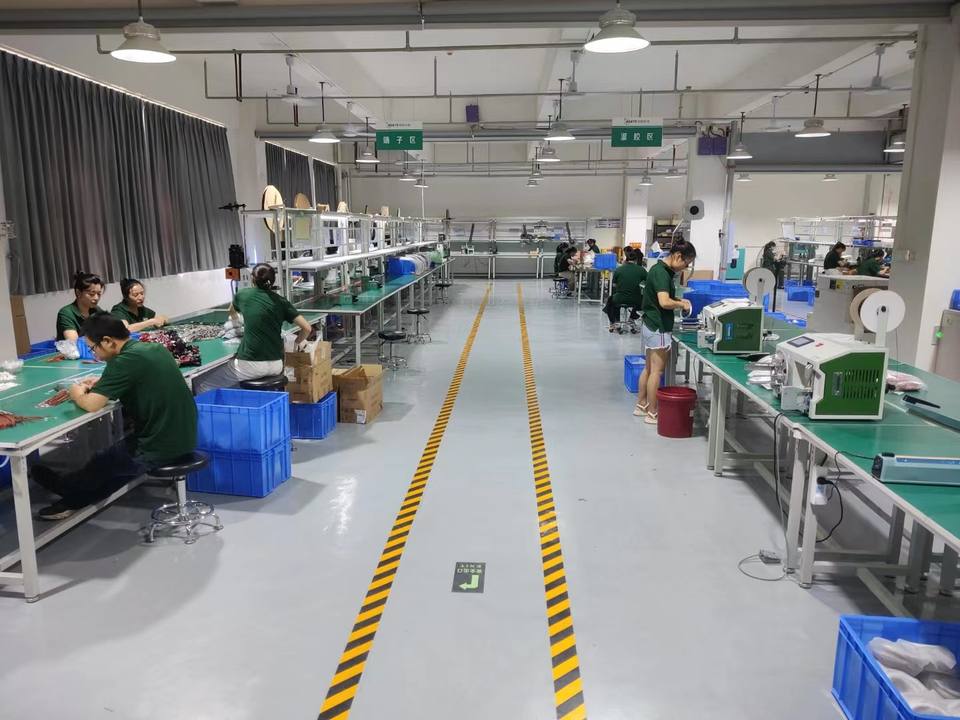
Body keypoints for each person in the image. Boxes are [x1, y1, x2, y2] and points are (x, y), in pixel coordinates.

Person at [31, 314, 198, 520]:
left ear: (108, 341)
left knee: (103, 462)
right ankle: (74, 501)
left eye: (93, 348)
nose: (94, 354)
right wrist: (104, 381)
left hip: (159, 445)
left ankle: (64, 487)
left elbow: (92, 404)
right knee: (113, 468)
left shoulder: (122, 362)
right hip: (186, 436)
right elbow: (137, 376)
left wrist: (76, 393)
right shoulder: (154, 349)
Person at [194, 263, 312, 394]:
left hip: (250, 364)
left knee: (200, 383)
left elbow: (231, 310)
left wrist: (236, 323)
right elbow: (307, 328)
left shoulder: (243, 295)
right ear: (273, 281)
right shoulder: (281, 301)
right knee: (237, 380)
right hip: (277, 365)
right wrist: (297, 342)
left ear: (252, 279)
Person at [634, 240, 697, 424]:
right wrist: (682, 305)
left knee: (648, 369)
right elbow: (664, 302)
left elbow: (663, 297)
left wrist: (678, 300)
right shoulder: (662, 273)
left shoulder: (659, 270)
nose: (685, 268)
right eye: (686, 263)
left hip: (650, 324)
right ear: (677, 256)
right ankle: (653, 413)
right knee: (656, 372)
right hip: (659, 327)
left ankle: (641, 405)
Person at [603, 248, 647, 331]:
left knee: (611, 301)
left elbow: (614, 284)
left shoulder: (619, 269)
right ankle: (632, 318)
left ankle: (615, 322)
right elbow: (647, 282)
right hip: (636, 299)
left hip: (620, 298)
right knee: (645, 301)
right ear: (636, 260)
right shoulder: (641, 270)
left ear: (626, 259)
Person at [56, 271, 104, 341]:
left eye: (99, 294)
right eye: (91, 294)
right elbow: (74, 343)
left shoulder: (96, 310)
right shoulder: (66, 313)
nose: (96, 298)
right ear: (78, 293)